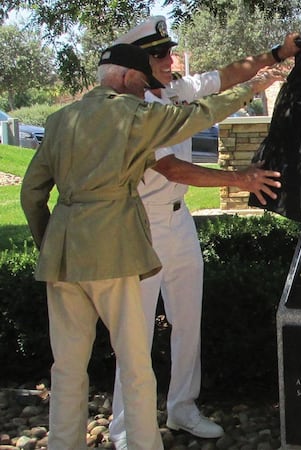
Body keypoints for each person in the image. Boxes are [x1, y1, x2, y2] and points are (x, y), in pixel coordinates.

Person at [19, 43, 273, 450]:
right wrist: (252, 88)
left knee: (66, 368)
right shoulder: (132, 115)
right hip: (116, 251)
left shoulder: (61, 119)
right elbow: (200, 115)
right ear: (125, 77)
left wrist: (50, 243)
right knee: (136, 363)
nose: (145, 90)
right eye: (141, 82)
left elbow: (31, 194)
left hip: (63, 256)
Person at [106, 16, 301, 444]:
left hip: (179, 221)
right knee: (134, 331)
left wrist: (278, 54)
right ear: (137, 63)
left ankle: (182, 407)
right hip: (141, 223)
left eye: (168, 51)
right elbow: (171, 168)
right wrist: (239, 179)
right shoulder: (133, 108)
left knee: (187, 321)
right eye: (159, 55)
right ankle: (126, 426)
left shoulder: (174, 90)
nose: (169, 60)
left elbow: (224, 76)